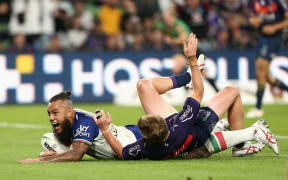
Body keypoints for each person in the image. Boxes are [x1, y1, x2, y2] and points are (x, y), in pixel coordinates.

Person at [95, 33, 279, 160]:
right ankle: (241, 146)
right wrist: (192, 59)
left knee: (143, 85)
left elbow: (122, 153)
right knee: (232, 92)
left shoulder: (146, 147)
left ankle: (187, 78)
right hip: (198, 128)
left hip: (178, 141)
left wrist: (104, 131)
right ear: (164, 123)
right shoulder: (180, 124)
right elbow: (199, 92)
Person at [19, 90, 143, 162]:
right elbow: (72, 148)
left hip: (134, 138)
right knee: (47, 137)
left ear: (69, 111)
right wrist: (56, 155)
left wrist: (40, 160)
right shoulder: (65, 122)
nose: (51, 118)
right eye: (49, 114)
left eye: (55, 113)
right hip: (126, 135)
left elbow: (76, 154)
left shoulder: (85, 122)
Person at [246, 0, 288, 118]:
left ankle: (258, 107)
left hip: (274, 40)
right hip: (263, 38)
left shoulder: (277, 2)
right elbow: (251, 19)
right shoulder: (256, 3)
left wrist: (275, 27)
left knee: (260, 73)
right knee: (266, 77)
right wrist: (253, 21)